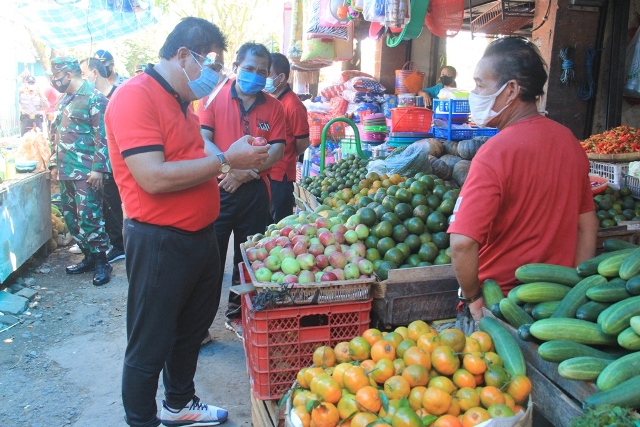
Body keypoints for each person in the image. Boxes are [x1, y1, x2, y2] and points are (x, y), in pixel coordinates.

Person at [105, 17, 270, 427]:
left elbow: (192, 159)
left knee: (190, 331)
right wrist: (227, 159)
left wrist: (232, 155)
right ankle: (141, 419)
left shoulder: (183, 102)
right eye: (209, 63)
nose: (213, 75)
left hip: (200, 237)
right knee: (150, 341)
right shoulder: (134, 97)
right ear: (183, 55)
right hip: (160, 240)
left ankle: (179, 404)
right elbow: (153, 176)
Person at [447, 37, 599, 321]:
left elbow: (462, 243)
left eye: (481, 85)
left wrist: (474, 300)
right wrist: (575, 292)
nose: (474, 93)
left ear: (512, 90)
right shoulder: (569, 142)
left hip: (501, 306)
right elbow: (587, 226)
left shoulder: (493, 154)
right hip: (555, 305)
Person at [197, 42, 286, 338]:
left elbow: (278, 148)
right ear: (236, 68)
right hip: (218, 188)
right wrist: (228, 169)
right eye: (249, 69)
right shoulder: (212, 98)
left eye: (262, 71)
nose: (255, 75)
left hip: (255, 192)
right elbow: (202, 140)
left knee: (246, 260)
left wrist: (248, 174)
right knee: (209, 260)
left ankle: (237, 316)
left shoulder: (274, 106)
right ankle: (199, 326)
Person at [48, 57, 112, 287]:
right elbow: (54, 134)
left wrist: (98, 169)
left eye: (57, 77)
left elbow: (103, 136)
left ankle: (102, 261)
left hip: (86, 172)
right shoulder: (62, 100)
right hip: (66, 170)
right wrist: (54, 163)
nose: (55, 81)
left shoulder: (95, 98)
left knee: (90, 216)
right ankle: (89, 256)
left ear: (69, 74)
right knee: (71, 218)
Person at [80, 57, 125, 263]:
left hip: (118, 160)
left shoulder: (119, 94)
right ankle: (113, 241)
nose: (82, 78)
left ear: (94, 73)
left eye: (83, 73)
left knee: (115, 204)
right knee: (107, 204)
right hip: (103, 162)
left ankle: (119, 245)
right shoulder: (90, 97)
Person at [265, 53, 310, 223]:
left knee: (281, 223)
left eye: (267, 74)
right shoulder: (269, 101)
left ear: (281, 77)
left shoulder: (293, 104)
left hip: (281, 175)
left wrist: (285, 153)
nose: (263, 79)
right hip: (267, 172)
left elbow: (302, 142)